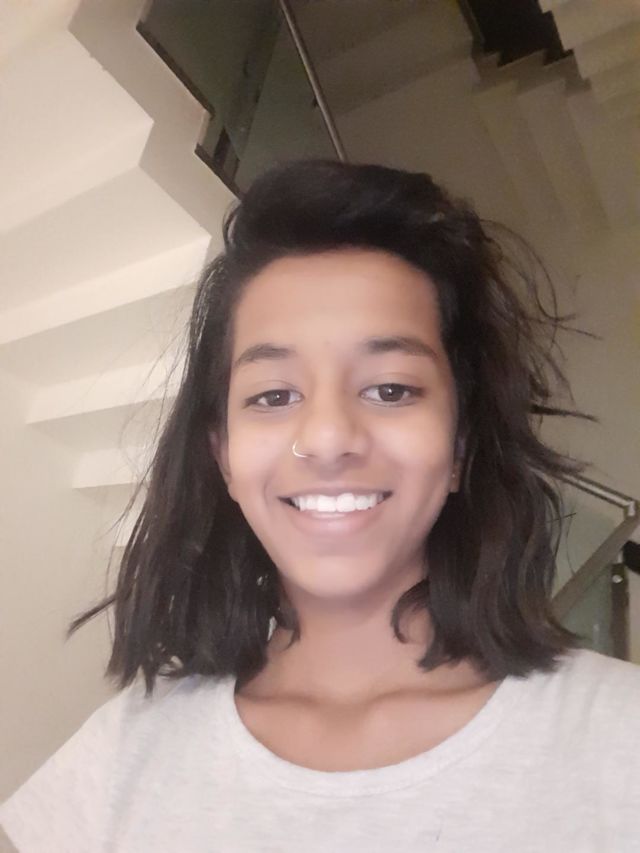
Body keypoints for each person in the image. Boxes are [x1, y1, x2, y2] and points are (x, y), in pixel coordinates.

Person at [1, 160, 639, 852]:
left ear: (459, 447)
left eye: (391, 389)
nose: (329, 437)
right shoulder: (117, 758)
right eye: (273, 395)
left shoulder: (618, 735)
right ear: (224, 457)